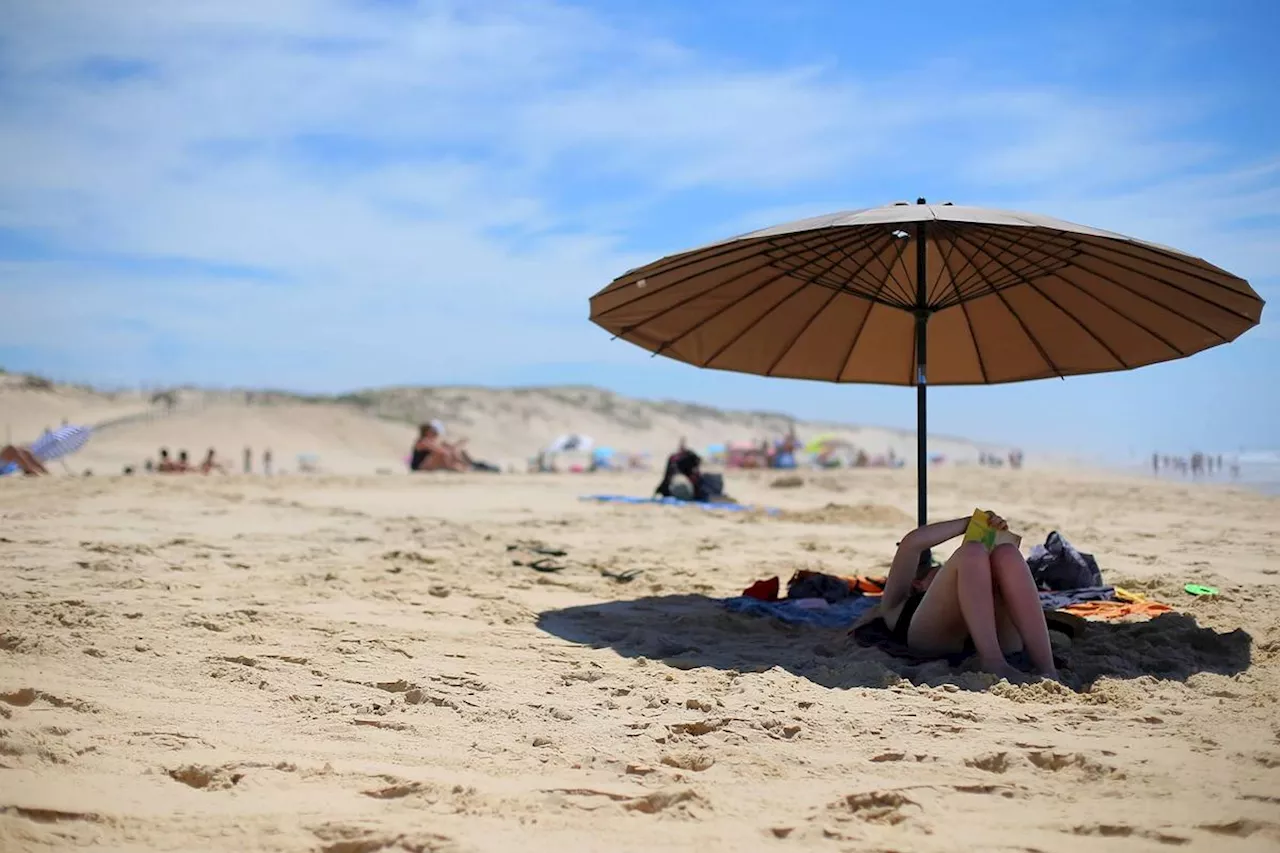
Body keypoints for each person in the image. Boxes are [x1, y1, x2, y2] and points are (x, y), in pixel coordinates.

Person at [868, 513, 1059, 682]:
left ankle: (1047, 669)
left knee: (1007, 553)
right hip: (935, 640)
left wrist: (987, 530)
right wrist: (968, 523)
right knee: (973, 552)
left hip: (1000, 634)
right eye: (940, 570)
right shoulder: (898, 602)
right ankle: (993, 661)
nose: (946, 570)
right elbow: (911, 543)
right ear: (919, 583)